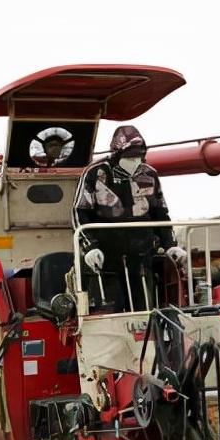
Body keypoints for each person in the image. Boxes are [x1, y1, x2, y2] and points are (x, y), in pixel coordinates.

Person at [74, 125, 182, 311]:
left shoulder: (149, 174)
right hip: (105, 257)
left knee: (145, 310)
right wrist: (90, 247)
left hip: (142, 255)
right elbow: (80, 211)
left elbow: (160, 212)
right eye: (129, 157)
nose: (134, 161)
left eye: (138, 156)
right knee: (111, 310)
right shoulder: (96, 174)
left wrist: (170, 243)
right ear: (117, 154)